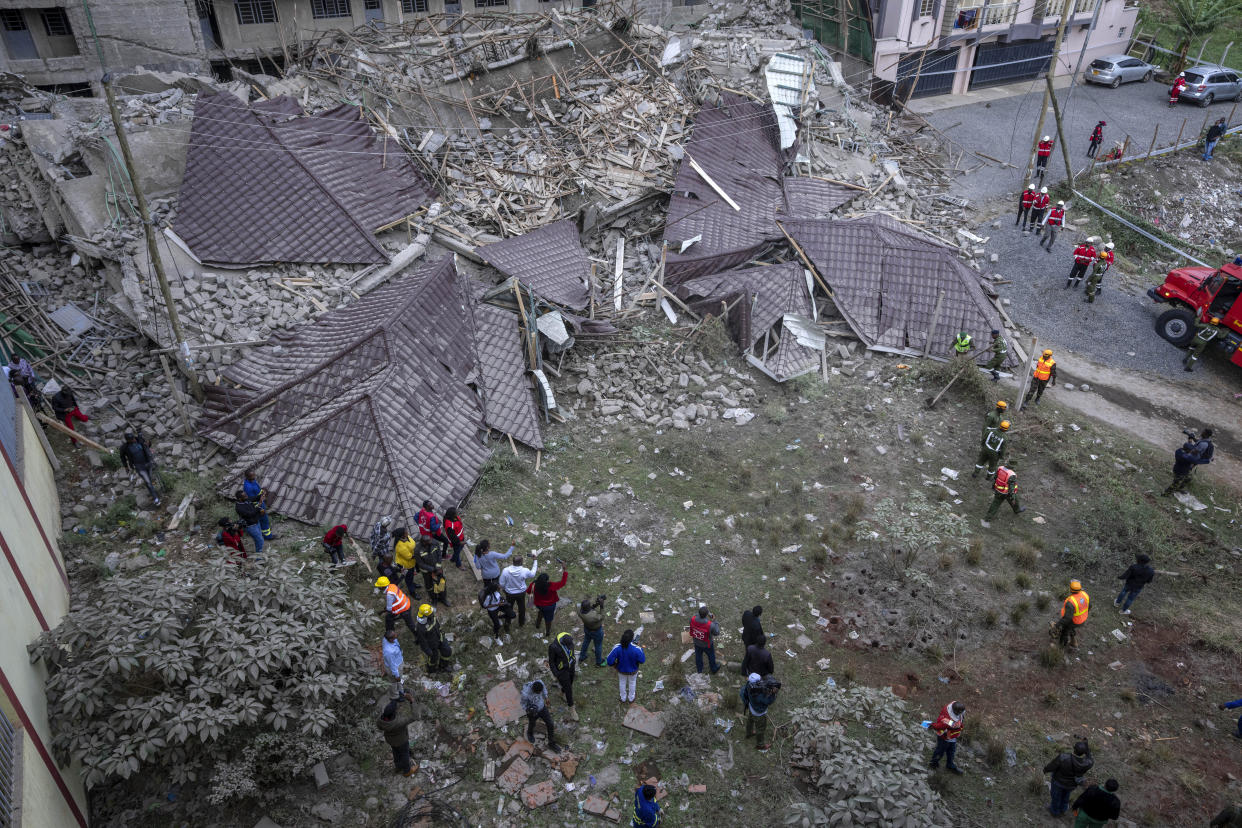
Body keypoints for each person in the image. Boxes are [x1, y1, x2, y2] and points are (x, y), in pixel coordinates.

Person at [1043, 739, 1094, 817]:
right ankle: (1063, 809)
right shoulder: (1087, 763)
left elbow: (1052, 766)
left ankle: (1055, 812)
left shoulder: (1063, 757)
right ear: (1084, 753)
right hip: (1072, 784)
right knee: (1066, 795)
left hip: (1058, 781)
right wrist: (1087, 750)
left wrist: (1045, 770)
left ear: (1074, 748)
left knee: (1056, 797)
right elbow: (1090, 759)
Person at [377, 691, 418, 776]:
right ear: (394, 714)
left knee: (396, 752)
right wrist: (412, 701)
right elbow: (415, 716)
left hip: (391, 740)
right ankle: (407, 771)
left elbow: (391, 707)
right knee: (404, 754)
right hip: (401, 741)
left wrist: (396, 698)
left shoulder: (381, 720)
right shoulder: (399, 722)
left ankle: (398, 767)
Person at [741, 673, 779, 751]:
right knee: (761, 729)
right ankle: (760, 745)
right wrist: (773, 694)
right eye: (760, 680)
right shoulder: (759, 695)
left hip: (751, 708)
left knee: (750, 721)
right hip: (759, 714)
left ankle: (749, 733)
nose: (761, 681)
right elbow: (769, 701)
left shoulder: (749, 685)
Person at [607, 629, 646, 705]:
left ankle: (623, 698)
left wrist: (615, 665)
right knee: (632, 683)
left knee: (622, 683)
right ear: (632, 638)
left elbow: (609, 661)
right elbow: (642, 660)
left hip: (621, 670)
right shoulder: (637, 649)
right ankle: (631, 698)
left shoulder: (617, 647)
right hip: (633, 671)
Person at [982, 459, 1025, 527]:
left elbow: (995, 478)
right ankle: (1017, 510)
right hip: (1006, 493)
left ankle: (987, 519)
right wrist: (1012, 497)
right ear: (1013, 466)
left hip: (998, 490)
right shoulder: (1012, 475)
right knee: (1015, 501)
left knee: (995, 504)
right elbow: (1011, 488)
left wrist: (993, 487)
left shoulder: (1000, 468)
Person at [499, 554, 539, 629]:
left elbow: (501, 583)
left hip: (509, 593)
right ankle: (521, 622)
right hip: (521, 593)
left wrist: (504, 589)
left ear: (513, 562)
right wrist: (535, 561)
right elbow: (533, 574)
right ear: (521, 562)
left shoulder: (506, 571)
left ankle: (507, 623)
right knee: (521, 607)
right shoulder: (525, 571)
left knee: (508, 608)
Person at [121, 433, 161, 505]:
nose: (133, 440)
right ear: (128, 440)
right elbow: (122, 457)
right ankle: (156, 498)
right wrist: (126, 467)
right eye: (131, 439)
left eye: (133, 438)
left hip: (148, 463)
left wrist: (148, 443)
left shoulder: (139, 439)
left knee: (149, 480)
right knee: (148, 481)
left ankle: (152, 491)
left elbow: (147, 446)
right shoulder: (125, 447)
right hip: (139, 466)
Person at [521, 679, 560, 751]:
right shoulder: (525, 694)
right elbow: (523, 704)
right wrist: (528, 710)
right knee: (532, 724)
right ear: (533, 690)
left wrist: (546, 697)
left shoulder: (540, 682)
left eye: (540, 692)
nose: (540, 693)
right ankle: (529, 733)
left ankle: (551, 743)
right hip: (532, 712)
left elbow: (544, 689)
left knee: (550, 724)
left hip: (542, 708)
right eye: (538, 692)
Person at [529, 567, 569, 638]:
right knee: (548, 619)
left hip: (539, 604)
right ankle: (547, 632)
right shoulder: (551, 586)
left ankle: (537, 625)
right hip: (550, 606)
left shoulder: (534, 584)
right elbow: (563, 583)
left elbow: (528, 591)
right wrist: (565, 570)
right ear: (547, 580)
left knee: (540, 612)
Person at [548, 630, 579, 720]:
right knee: (568, 689)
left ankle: (561, 693)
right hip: (562, 670)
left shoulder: (568, 638)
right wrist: (556, 673)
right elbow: (551, 662)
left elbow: (571, 651)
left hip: (571, 666)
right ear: (563, 643)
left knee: (571, 681)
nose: (570, 646)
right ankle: (572, 708)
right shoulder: (553, 647)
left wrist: (573, 661)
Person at [928, 700, 965, 774]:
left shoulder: (956, 708)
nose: (960, 714)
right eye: (959, 712)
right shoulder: (948, 720)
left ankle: (950, 765)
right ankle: (933, 763)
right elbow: (939, 726)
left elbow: (961, 719)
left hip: (952, 737)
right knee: (940, 751)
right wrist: (932, 725)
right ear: (955, 711)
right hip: (944, 737)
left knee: (951, 751)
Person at [414, 604, 452, 674]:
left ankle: (443, 666)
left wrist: (441, 633)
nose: (432, 613)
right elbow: (422, 641)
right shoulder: (420, 627)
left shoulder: (431, 617)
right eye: (430, 613)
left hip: (439, 638)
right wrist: (428, 651)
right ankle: (431, 670)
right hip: (432, 646)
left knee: (447, 651)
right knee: (433, 659)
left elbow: (437, 625)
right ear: (425, 615)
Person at [242, 469, 276, 540]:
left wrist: (262, 492)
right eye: (252, 476)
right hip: (258, 505)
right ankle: (268, 536)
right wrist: (259, 506)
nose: (254, 477)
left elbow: (257, 490)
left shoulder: (252, 481)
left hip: (260, 502)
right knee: (264, 519)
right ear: (248, 477)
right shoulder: (248, 487)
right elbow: (252, 499)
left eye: (254, 475)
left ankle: (264, 531)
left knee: (262, 520)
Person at [1057, 580, 1089, 648]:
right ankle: (1073, 642)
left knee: (1065, 631)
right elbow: (1090, 606)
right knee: (1071, 628)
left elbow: (1067, 618)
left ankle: (1062, 645)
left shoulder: (1071, 602)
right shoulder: (1085, 595)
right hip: (1083, 619)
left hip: (1075, 621)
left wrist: (1058, 624)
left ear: (1070, 590)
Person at [689, 606, 721, 674]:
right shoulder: (710, 625)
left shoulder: (692, 619)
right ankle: (714, 669)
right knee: (711, 655)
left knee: (698, 656)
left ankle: (699, 670)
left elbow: (695, 616)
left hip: (696, 642)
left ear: (698, 613)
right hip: (707, 644)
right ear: (706, 615)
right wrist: (715, 621)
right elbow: (717, 632)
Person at [391, 527, 421, 600]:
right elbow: (409, 557)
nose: (407, 532)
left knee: (410, 576)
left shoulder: (407, 537)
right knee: (408, 578)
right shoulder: (399, 546)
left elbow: (413, 544)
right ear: (402, 535)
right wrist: (420, 554)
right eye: (406, 532)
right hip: (406, 564)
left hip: (411, 562)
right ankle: (412, 592)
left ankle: (412, 583)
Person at [234, 489, 265, 557]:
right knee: (260, 541)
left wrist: (262, 494)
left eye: (246, 495)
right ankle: (259, 559)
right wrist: (258, 506)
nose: (247, 496)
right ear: (240, 499)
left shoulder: (247, 500)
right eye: (245, 496)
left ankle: (259, 555)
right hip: (250, 526)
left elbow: (255, 498)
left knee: (258, 540)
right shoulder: (239, 507)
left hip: (256, 523)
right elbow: (250, 514)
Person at [578, 595, 607, 667]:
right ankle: (599, 662)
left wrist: (596, 604)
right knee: (598, 645)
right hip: (596, 631)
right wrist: (601, 606)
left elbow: (589, 609)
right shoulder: (593, 617)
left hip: (587, 629)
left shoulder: (579, 611)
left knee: (586, 641)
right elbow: (602, 616)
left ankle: (582, 656)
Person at [382, 628, 405, 697]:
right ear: (390, 639)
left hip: (397, 662)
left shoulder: (386, 639)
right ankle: (395, 695)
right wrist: (396, 675)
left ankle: (401, 690)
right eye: (395, 636)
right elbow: (392, 665)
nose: (396, 635)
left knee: (398, 681)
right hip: (395, 667)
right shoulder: (389, 652)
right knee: (394, 682)